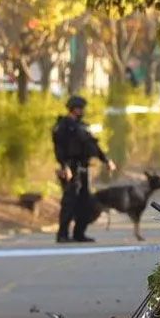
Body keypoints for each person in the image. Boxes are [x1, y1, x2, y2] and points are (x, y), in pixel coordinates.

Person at [52, 95, 116, 243]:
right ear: (74, 109)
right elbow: (59, 149)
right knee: (69, 202)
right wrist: (64, 166)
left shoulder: (82, 126)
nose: (83, 111)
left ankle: (78, 233)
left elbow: (93, 145)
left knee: (85, 203)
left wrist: (106, 160)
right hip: (70, 168)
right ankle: (62, 234)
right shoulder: (63, 126)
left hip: (83, 168)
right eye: (80, 108)